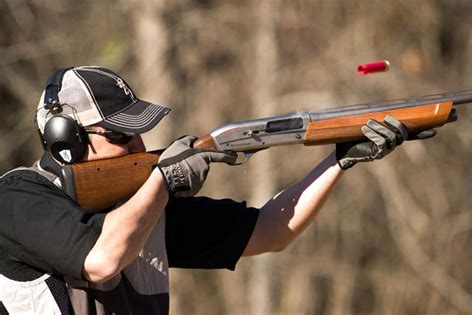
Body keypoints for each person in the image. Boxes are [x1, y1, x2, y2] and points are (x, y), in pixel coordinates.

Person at [0, 66, 435, 314]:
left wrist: (340, 159)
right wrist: (164, 181)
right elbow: (101, 259)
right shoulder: (16, 201)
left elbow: (271, 231)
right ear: (65, 140)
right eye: (119, 136)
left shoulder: (143, 208)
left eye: (138, 133)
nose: (137, 146)